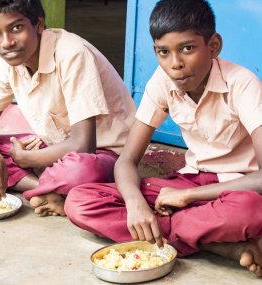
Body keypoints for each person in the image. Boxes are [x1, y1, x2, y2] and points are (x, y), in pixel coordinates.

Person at [65, 0, 262, 277]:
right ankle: (217, 245)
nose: (175, 64)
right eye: (163, 52)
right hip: (187, 181)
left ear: (214, 45)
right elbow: (127, 161)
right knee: (80, 200)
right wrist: (135, 205)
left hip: (233, 190)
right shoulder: (162, 82)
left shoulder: (242, 84)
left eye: (188, 48)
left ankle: (176, 236)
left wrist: (188, 195)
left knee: (251, 211)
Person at [0, 0, 136, 217]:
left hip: (103, 154)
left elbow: (84, 145)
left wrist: (27, 159)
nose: (7, 42)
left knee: (82, 170)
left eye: (16, 28)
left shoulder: (72, 53)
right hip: (53, 147)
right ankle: (45, 191)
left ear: (39, 24)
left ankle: (32, 183)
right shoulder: (6, 61)